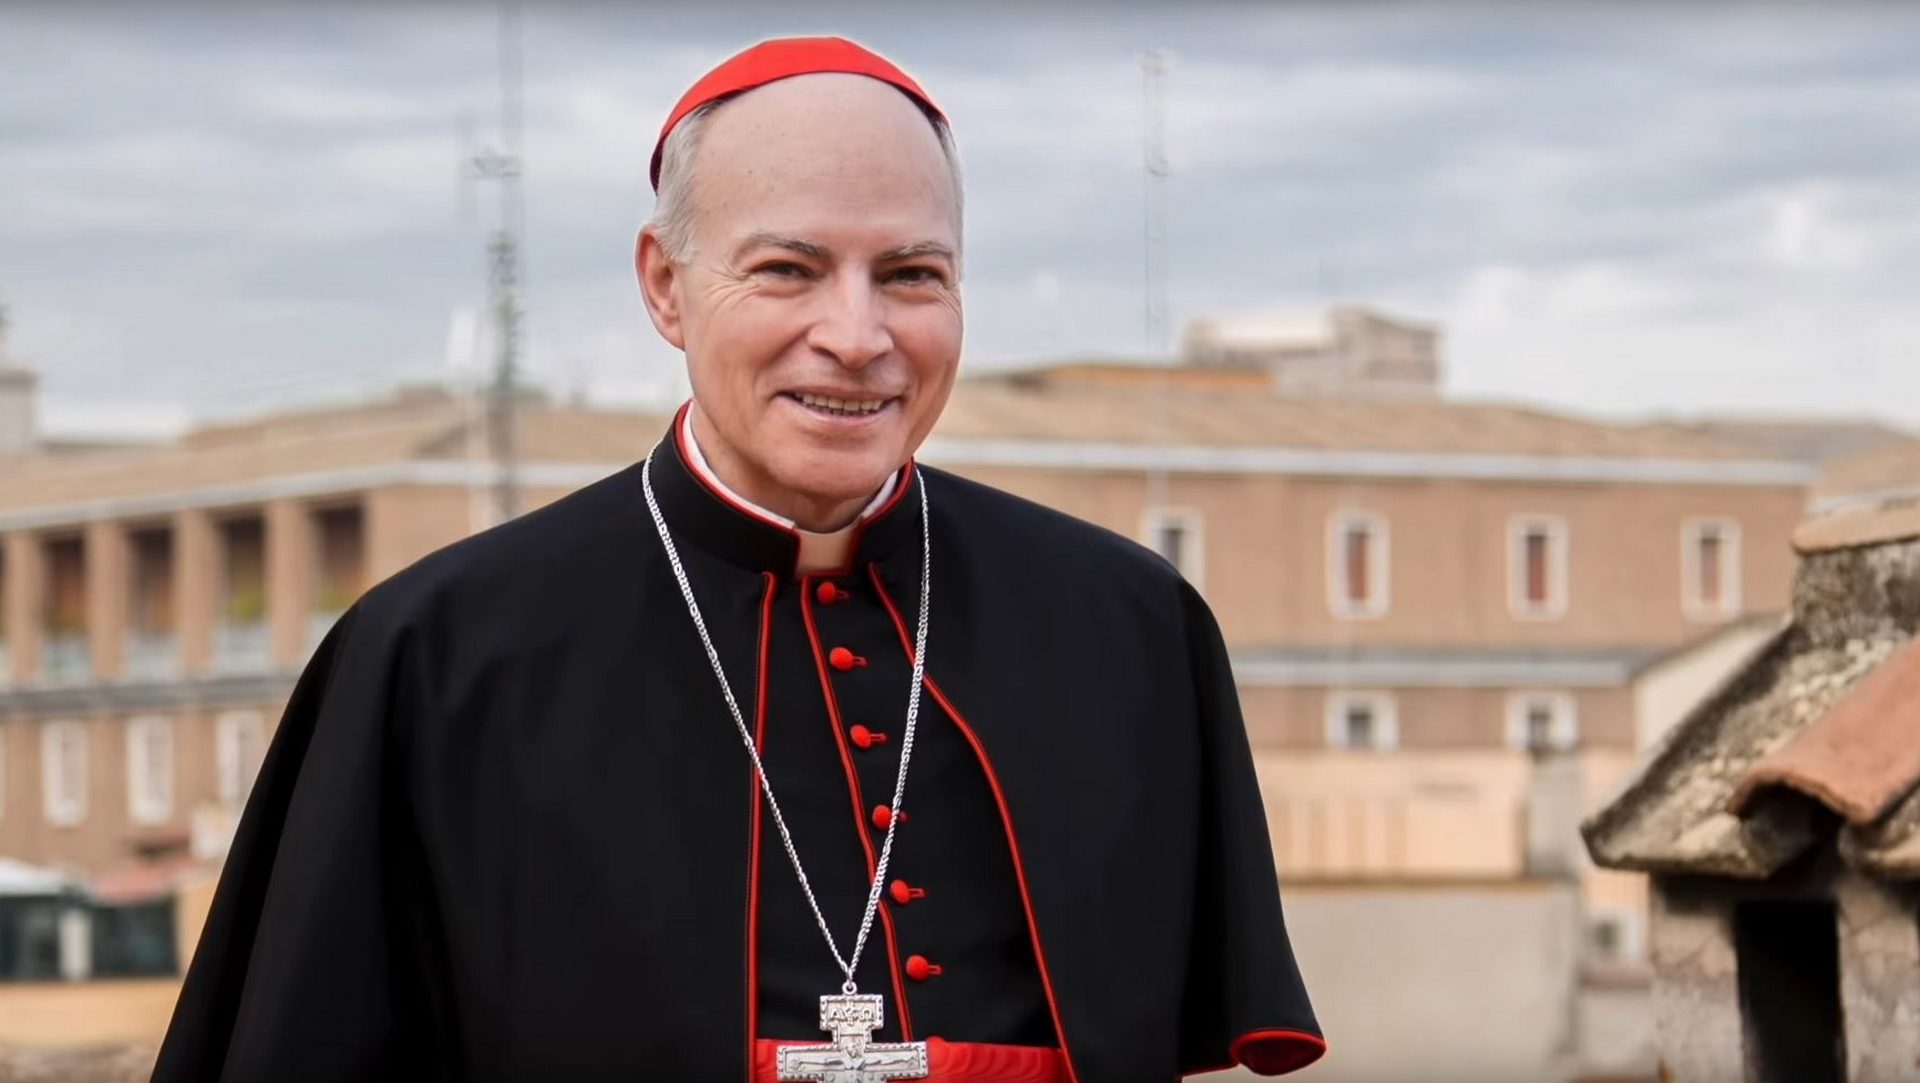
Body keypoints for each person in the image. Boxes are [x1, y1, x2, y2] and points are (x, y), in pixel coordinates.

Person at [152, 36, 1323, 1083]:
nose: (858, 337)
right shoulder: (436, 656)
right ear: (666, 285)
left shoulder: (1129, 625)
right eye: (787, 270)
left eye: (912, 274)